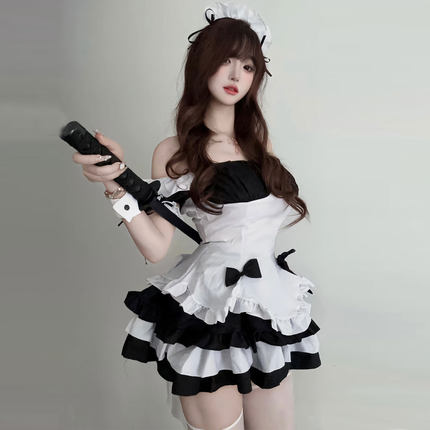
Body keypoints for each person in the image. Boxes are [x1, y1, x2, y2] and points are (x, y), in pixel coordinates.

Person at [71, 2, 321, 429]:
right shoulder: (174, 152)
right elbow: (155, 248)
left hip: (267, 302)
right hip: (211, 304)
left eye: (248, 65)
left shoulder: (259, 144)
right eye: (226, 60)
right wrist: (115, 187)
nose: (236, 74)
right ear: (203, 64)